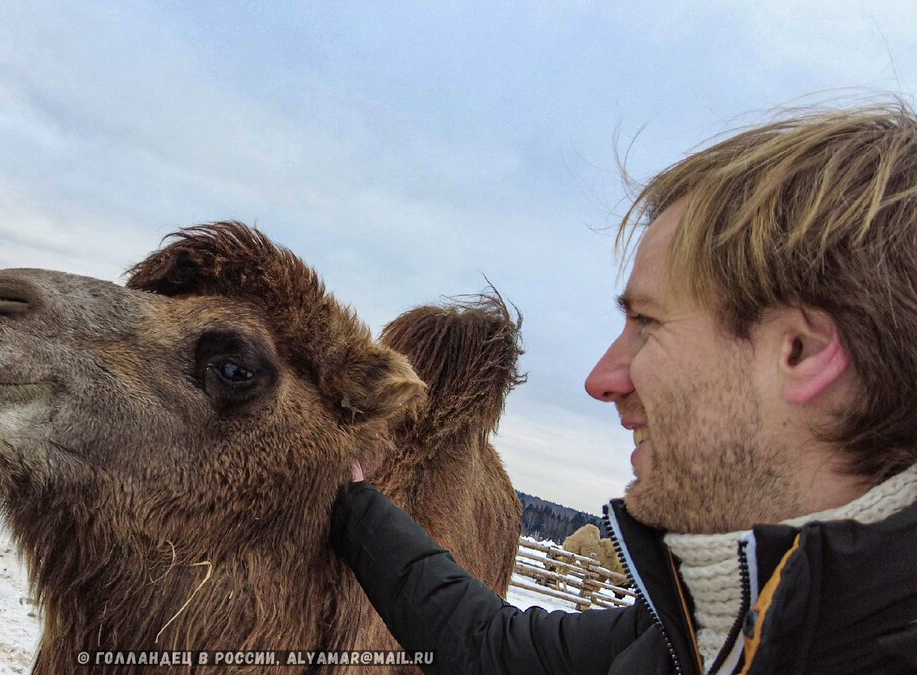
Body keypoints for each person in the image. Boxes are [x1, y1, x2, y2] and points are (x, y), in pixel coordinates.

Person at [332, 103, 917, 674]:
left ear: (802, 352)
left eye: (648, 323)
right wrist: (356, 509)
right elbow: (491, 646)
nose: (600, 380)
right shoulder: (696, 630)